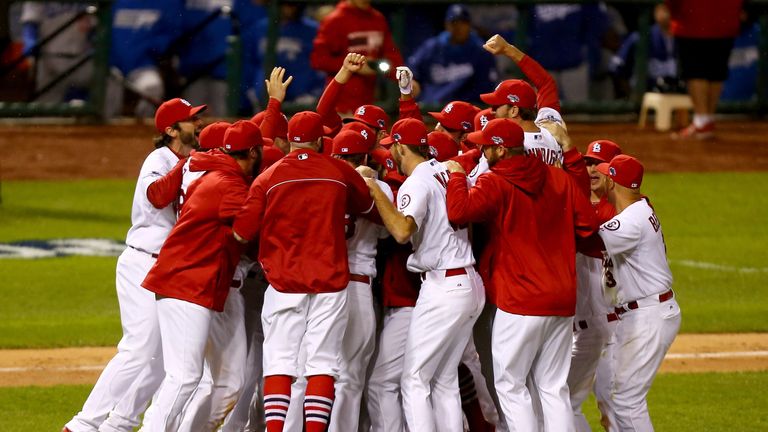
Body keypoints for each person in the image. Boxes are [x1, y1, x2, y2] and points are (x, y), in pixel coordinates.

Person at [62, 98, 206, 432]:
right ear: (170, 130)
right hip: (142, 262)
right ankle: (82, 425)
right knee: (139, 350)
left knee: (159, 359)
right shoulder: (159, 159)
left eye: (197, 119)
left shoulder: (191, 162)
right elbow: (157, 195)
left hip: (167, 270)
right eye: (190, 121)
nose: (197, 125)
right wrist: (187, 166)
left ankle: (120, 424)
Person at [444, 118, 596, 431]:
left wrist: (457, 178)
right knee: (553, 387)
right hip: (563, 298)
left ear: (501, 149)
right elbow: (588, 227)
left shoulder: (495, 182)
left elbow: (459, 212)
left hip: (520, 299)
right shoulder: (558, 177)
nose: (482, 150)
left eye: (487, 145)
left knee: (511, 385)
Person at [232, 111, 375, 432]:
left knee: (280, 362)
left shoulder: (268, 177)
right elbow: (368, 208)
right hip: (331, 281)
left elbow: (241, 233)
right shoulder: (339, 170)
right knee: (323, 363)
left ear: (288, 143)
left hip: (283, 283)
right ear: (322, 141)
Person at [363, 117, 485, 432]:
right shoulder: (447, 169)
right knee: (444, 380)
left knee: (414, 380)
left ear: (401, 146)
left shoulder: (418, 180)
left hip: (444, 286)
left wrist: (375, 189)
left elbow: (402, 231)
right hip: (469, 282)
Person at [141, 120, 262, 432]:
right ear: (252, 152)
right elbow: (248, 231)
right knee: (184, 378)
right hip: (185, 283)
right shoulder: (227, 184)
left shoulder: (218, 174)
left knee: (230, 381)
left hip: (197, 285)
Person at [595, 154, 681, 430]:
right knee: (617, 395)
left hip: (648, 314)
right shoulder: (640, 208)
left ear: (613, 181)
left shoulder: (631, 221)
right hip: (644, 312)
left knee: (627, 400)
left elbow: (587, 235)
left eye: (606, 174)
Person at [567, 139, 623, 432]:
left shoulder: (607, 212)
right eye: (587, 162)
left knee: (615, 412)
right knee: (568, 402)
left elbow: (584, 224)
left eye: (598, 164)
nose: (590, 169)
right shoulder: (619, 208)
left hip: (606, 333)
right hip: (596, 329)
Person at [310, 0, 404, 113]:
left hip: (368, 103)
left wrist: (404, 78)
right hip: (340, 105)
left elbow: (391, 54)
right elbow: (318, 60)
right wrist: (353, 66)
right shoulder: (335, 20)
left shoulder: (378, 19)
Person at [668, 0, 744, 139]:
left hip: (692, 19)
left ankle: (702, 121)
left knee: (696, 71)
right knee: (715, 72)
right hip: (725, 19)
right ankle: (707, 119)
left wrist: (673, 12)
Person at [105, 0, 182, 117]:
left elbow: (170, 34)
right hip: (111, 66)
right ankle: (103, 125)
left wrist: (150, 51)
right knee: (108, 88)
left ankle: (143, 128)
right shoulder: (115, 3)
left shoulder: (167, 3)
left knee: (152, 86)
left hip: (141, 65)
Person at [407, 4, 497, 104]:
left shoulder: (480, 50)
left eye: (462, 22)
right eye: (454, 22)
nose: (458, 27)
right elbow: (412, 70)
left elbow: (485, 87)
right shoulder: (432, 47)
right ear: (446, 25)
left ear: (469, 25)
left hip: (465, 110)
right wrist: (413, 82)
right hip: (431, 107)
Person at [247, 2, 325, 106]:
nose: (289, 10)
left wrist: (314, 92)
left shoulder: (312, 29)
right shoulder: (260, 28)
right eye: (285, 5)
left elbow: (321, 65)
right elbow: (250, 61)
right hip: (264, 95)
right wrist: (250, 89)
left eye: (292, 5)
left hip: (301, 97)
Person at [21, 1, 94, 103]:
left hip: (81, 57)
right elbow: (31, 18)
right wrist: (30, 37)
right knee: (46, 109)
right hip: (48, 59)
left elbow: (97, 21)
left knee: (83, 106)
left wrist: (96, 39)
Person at [610, 3, 682, 96]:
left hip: (676, 98)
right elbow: (617, 69)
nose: (669, 14)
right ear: (656, 12)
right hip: (646, 97)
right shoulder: (640, 38)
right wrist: (631, 96)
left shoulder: (682, 40)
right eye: (665, 10)